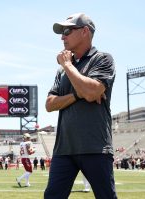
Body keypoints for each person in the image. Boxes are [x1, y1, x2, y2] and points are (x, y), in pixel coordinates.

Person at [44, 13, 117, 199]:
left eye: (67, 31)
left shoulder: (103, 59)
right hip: (64, 149)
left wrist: (68, 65)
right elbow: (50, 104)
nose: (62, 37)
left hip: (95, 147)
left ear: (85, 31)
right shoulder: (61, 71)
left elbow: (92, 92)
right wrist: (78, 94)